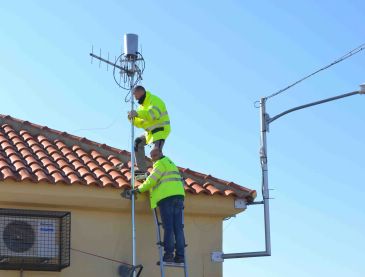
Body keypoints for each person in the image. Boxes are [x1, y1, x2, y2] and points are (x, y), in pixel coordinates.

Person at [127, 148, 186, 263]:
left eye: (154, 156)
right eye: (152, 157)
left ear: (160, 154)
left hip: (167, 198)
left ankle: (168, 255)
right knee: (178, 228)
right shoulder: (170, 162)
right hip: (179, 197)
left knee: (168, 228)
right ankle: (180, 256)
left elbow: (152, 181)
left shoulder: (159, 164)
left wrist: (138, 190)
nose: (153, 159)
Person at [128, 86, 170, 179]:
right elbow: (139, 123)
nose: (135, 97)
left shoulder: (154, 100)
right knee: (137, 142)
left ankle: (163, 174)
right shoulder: (140, 107)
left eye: (135, 94)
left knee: (155, 152)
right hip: (150, 133)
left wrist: (138, 114)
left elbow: (153, 114)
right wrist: (131, 119)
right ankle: (142, 171)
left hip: (160, 129)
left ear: (140, 92)